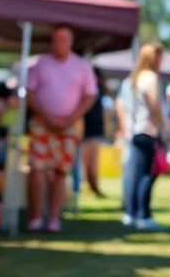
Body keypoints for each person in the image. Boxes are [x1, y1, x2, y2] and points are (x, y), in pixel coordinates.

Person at [25, 25, 98, 233]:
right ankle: (36, 216)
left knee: (61, 170)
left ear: (71, 42)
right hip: (41, 123)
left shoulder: (82, 66)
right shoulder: (41, 64)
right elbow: (30, 93)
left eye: (64, 40)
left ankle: (54, 218)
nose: (59, 44)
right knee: (37, 168)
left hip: (70, 125)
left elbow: (90, 95)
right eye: (56, 40)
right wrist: (46, 117)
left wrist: (71, 118)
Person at [123, 43, 167, 231]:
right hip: (149, 131)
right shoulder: (151, 78)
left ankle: (132, 212)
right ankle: (144, 214)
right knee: (149, 174)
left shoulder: (135, 79)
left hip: (136, 131)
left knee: (136, 174)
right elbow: (155, 104)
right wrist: (163, 127)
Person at [79, 66, 108, 199]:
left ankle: (93, 185)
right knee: (86, 161)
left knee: (92, 160)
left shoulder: (97, 89)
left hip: (94, 128)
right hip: (86, 128)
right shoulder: (86, 89)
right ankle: (88, 185)